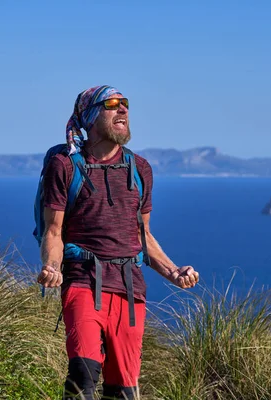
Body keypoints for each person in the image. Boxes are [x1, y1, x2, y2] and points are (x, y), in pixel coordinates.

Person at [36, 85, 199, 399]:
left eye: (125, 104)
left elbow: (143, 236)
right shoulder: (65, 166)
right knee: (82, 377)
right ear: (92, 116)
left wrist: (174, 272)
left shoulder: (140, 169)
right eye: (112, 104)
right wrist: (52, 267)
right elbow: (53, 232)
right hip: (83, 281)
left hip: (130, 288)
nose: (123, 109)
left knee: (123, 389)